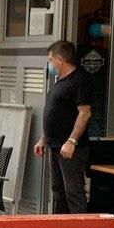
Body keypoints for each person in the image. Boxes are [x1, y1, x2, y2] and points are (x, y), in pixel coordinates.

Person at [34, 40, 93, 214]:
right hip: (55, 145)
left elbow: (85, 112)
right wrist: (44, 139)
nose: (50, 64)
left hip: (70, 148)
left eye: (51, 60)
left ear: (61, 59)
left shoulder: (79, 80)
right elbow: (57, 113)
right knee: (58, 192)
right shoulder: (60, 81)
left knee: (73, 193)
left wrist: (72, 141)